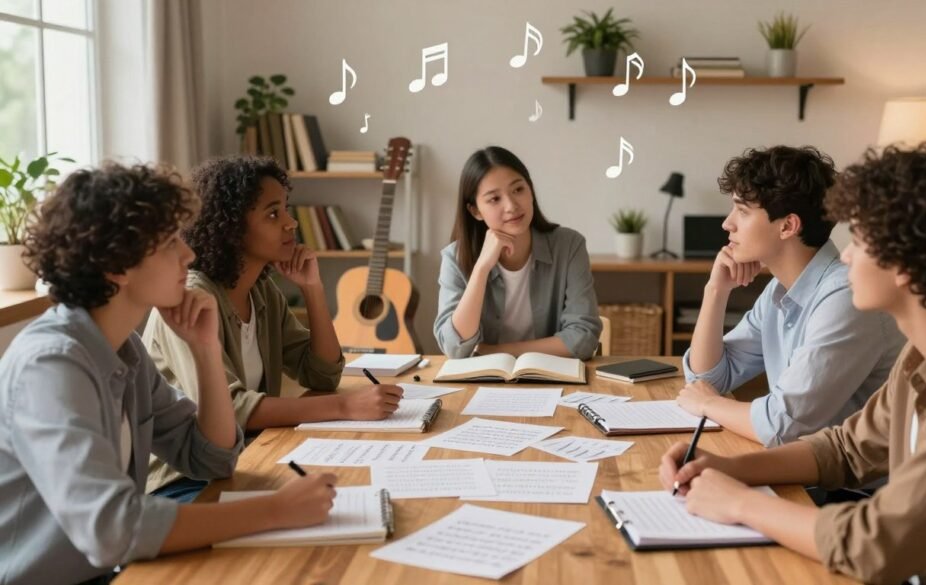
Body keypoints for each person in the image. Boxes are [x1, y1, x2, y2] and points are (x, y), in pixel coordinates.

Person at [660, 144, 926, 584]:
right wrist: (725, 467)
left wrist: (740, 502)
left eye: (862, 241)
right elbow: (845, 449)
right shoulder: (923, 355)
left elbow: (879, 544)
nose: (846, 256)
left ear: (905, 264)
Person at [0, 163, 337, 585]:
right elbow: (110, 529)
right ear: (117, 264)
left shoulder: (126, 351)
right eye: (169, 242)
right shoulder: (50, 365)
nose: (189, 254)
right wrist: (276, 510)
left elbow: (211, 457)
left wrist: (206, 350)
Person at [143, 156, 401, 501]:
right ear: (232, 225)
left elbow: (321, 375)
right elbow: (233, 410)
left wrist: (313, 288)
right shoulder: (192, 298)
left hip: (246, 460)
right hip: (184, 482)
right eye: (273, 213)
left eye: (286, 209)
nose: (291, 223)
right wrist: (345, 407)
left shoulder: (263, 292)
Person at [677, 146, 904, 447]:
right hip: (807, 473)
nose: (727, 223)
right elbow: (708, 380)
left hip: (842, 489)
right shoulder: (780, 289)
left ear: (788, 226)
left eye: (743, 211)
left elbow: (781, 427)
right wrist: (716, 291)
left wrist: (708, 405)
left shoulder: (845, 299)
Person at [434, 146, 601, 359]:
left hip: (550, 379)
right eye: (494, 199)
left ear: (530, 190)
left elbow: (583, 338)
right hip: (482, 383)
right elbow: (454, 348)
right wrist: (481, 269)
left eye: (518, 190)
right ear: (475, 211)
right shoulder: (454, 258)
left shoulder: (569, 245)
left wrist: (495, 352)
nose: (511, 205)